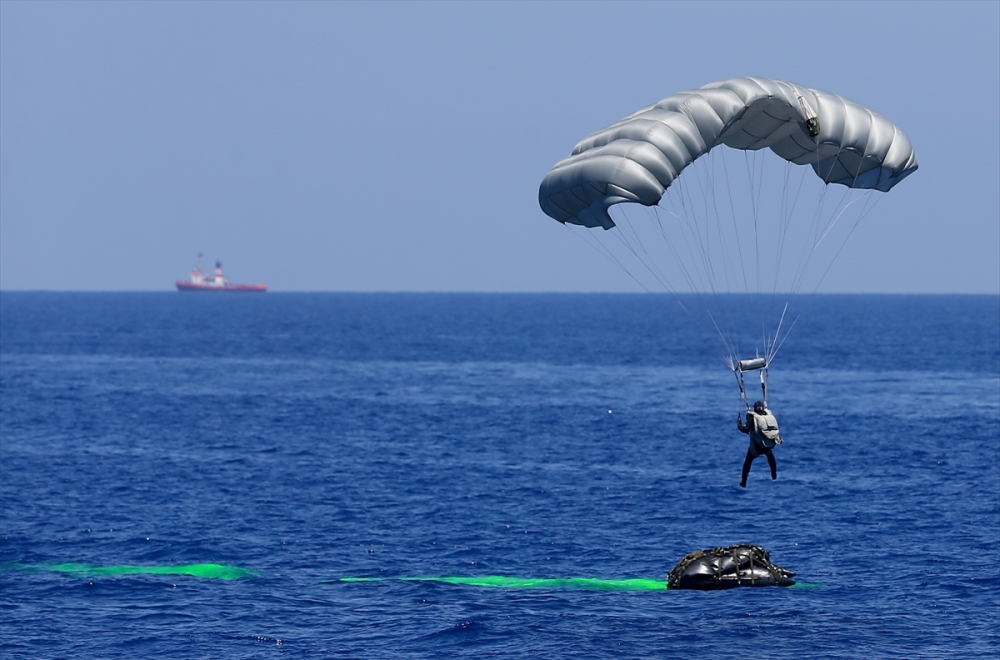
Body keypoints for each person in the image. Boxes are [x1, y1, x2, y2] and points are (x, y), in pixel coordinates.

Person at [736, 401, 782, 487]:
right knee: (771, 457)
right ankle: (774, 475)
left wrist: (739, 425)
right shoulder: (768, 414)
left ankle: (743, 482)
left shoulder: (752, 417)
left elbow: (746, 430)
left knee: (748, 461)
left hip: (757, 447)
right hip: (768, 446)